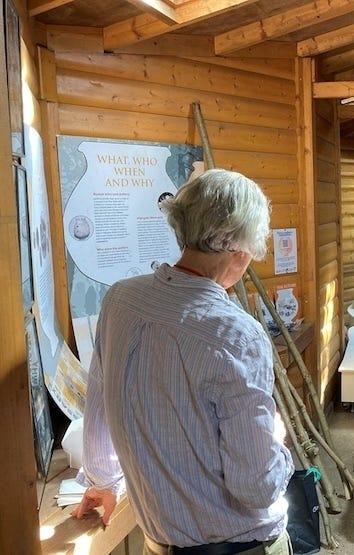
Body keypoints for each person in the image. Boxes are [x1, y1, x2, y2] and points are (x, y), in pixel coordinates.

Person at [72, 169, 295, 555]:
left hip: (157, 544)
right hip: (242, 546)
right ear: (241, 251)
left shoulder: (120, 300)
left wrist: (104, 481)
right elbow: (257, 488)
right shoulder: (237, 335)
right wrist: (276, 438)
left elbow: (99, 408)